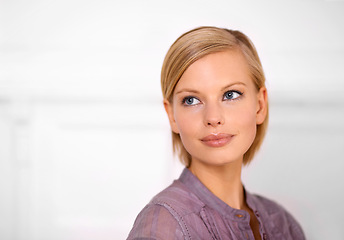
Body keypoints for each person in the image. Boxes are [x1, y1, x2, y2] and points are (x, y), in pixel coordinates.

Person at [127, 26, 305, 240]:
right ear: (172, 115)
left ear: (260, 105)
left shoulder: (282, 223)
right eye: (191, 100)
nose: (213, 117)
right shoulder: (163, 225)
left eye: (230, 94)